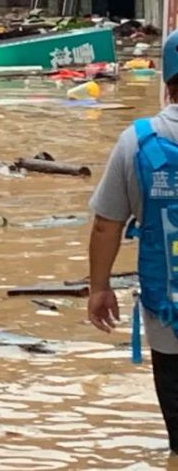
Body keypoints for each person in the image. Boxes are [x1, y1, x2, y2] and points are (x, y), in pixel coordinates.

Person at [88, 28, 178, 457]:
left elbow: (107, 223)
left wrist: (99, 287)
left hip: (167, 309)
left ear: (167, 82)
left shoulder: (137, 141)